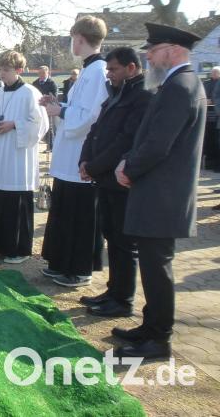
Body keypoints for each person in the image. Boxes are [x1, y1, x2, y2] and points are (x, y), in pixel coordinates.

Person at [111, 23, 205, 359]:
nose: (148, 56)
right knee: (152, 266)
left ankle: (159, 338)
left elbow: (158, 145)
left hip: (162, 197)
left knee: (157, 267)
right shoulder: (178, 84)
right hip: (158, 194)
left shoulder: (180, 86)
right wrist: (128, 161)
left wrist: (128, 168)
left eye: (153, 50)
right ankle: (150, 326)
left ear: (173, 50)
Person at [77, 47, 152, 318]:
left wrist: (94, 166)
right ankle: (113, 291)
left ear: (131, 67)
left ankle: (123, 299)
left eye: (113, 69)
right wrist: (84, 160)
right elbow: (96, 129)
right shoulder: (117, 92)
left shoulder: (143, 96)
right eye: (108, 68)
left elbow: (125, 140)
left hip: (121, 180)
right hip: (104, 179)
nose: (108, 74)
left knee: (123, 242)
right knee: (111, 235)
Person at [40, 16, 109, 287]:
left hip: (83, 154)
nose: (72, 44)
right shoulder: (87, 70)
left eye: (73, 39)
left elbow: (91, 116)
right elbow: (78, 108)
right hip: (69, 154)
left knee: (81, 214)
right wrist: (59, 104)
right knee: (66, 211)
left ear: (79, 39)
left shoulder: (98, 72)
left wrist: (61, 111)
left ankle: (80, 268)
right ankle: (61, 261)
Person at [0, 51, 47, 262]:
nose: (2, 73)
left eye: (6, 70)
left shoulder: (30, 93)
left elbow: (41, 124)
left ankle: (17, 249)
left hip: (18, 156)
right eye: (1, 69)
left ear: (19, 70)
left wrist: (14, 124)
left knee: (14, 200)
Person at [33, 65, 58, 150]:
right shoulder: (35, 83)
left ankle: (50, 146)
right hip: (37, 107)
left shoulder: (52, 83)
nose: (41, 75)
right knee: (37, 125)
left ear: (47, 73)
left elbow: (54, 96)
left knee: (49, 126)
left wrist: (46, 99)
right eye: (39, 73)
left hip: (47, 107)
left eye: (43, 73)